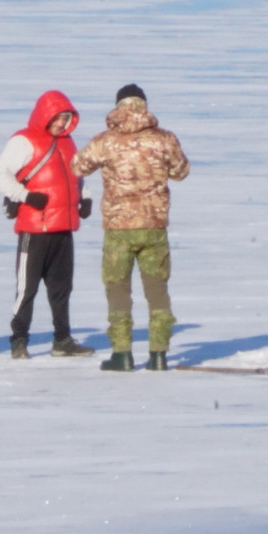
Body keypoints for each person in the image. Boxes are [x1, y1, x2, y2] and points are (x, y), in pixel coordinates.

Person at [71, 84, 190, 372]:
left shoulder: (106, 141)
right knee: (157, 291)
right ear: (143, 105)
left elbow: (77, 166)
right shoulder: (164, 139)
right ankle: (159, 354)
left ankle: (122, 354)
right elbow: (181, 172)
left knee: (118, 290)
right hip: (154, 226)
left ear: (119, 106)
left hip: (118, 228)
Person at [0, 90, 97, 359]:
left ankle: (62, 340)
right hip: (34, 229)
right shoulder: (23, 141)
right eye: (57, 118)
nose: (61, 123)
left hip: (63, 227)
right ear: (45, 115)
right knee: (27, 288)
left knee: (62, 288)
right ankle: (19, 340)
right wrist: (25, 196)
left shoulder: (68, 142)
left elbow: (76, 176)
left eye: (66, 118)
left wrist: (85, 197)